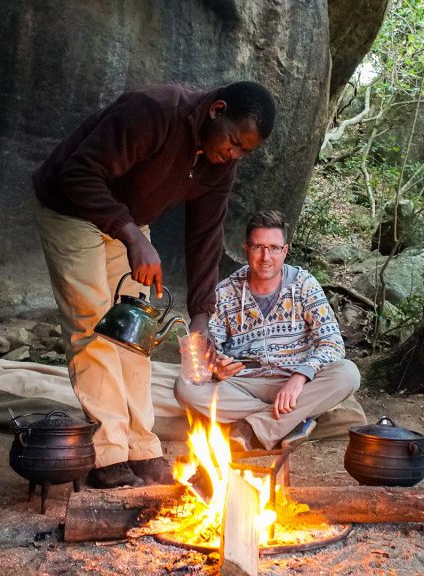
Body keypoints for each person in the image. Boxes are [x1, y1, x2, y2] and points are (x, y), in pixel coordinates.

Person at [33, 82, 276, 488]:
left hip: (126, 223)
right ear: (216, 110)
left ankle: (142, 449)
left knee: (134, 336)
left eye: (244, 152)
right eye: (234, 141)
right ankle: (107, 454)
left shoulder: (221, 165)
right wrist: (133, 236)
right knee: (94, 327)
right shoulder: (153, 112)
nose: (234, 155)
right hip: (72, 209)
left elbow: (205, 236)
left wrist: (201, 315)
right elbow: (77, 173)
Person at [175, 210, 360, 451]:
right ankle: (289, 423)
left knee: (348, 373)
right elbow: (212, 347)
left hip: (294, 384)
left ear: (285, 250)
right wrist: (216, 367)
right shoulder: (226, 291)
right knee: (185, 387)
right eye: (258, 247)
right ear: (246, 249)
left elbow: (332, 343)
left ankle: (251, 428)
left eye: (274, 248)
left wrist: (301, 375)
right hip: (244, 384)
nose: (266, 257)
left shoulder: (304, 284)